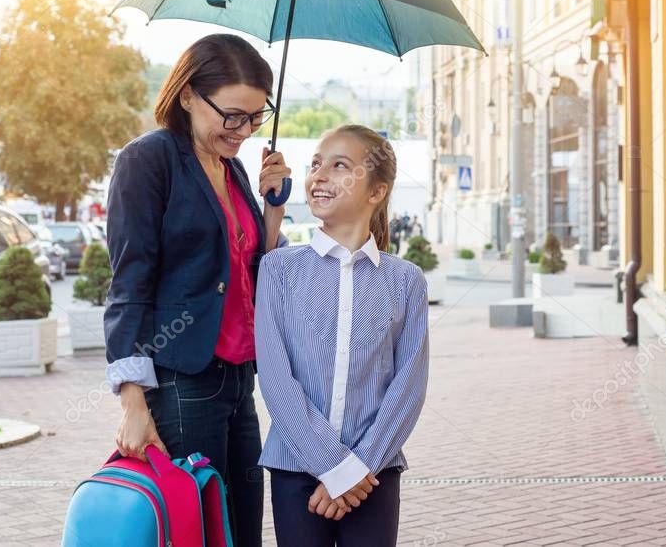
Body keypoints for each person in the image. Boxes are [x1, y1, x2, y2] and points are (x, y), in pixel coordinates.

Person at [104, 33, 292, 547]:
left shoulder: (231, 170)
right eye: (232, 115)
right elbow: (129, 283)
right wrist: (133, 403)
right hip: (182, 380)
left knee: (243, 527)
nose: (244, 131)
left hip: (238, 378)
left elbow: (250, 273)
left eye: (255, 117)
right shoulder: (149, 160)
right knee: (199, 532)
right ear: (188, 94)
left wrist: (271, 211)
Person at [254, 124, 430, 547]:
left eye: (339, 166)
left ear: (376, 192)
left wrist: (357, 470)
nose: (320, 175)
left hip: (375, 472)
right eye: (316, 164)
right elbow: (276, 381)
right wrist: (333, 469)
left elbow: (408, 386)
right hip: (295, 468)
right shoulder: (278, 270)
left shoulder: (406, 281)